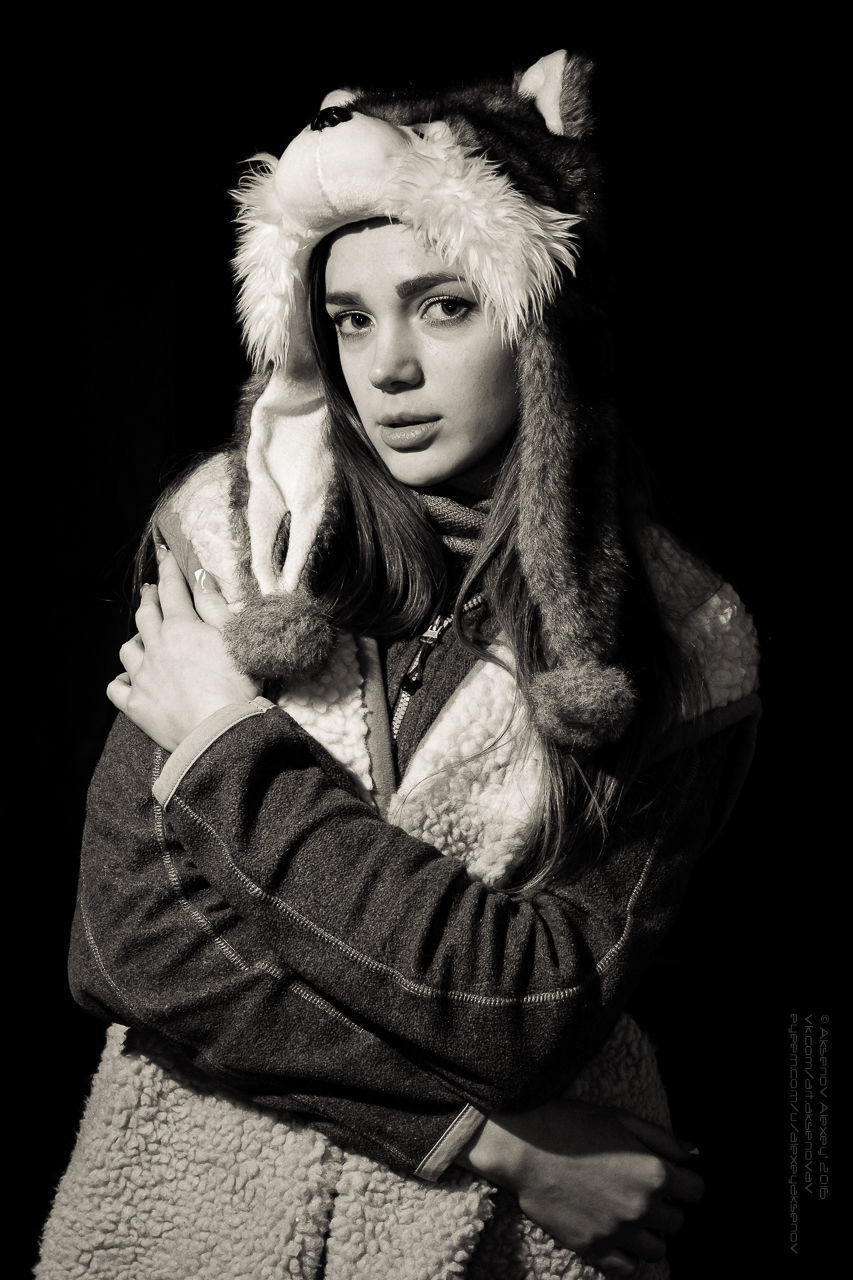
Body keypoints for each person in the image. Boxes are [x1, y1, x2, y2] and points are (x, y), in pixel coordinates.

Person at [38, 50, 759, 1280]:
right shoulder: (232, 539)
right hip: (189, 1211)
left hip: (490, 1255)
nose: (389, 370)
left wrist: (226, 749)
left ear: (539, 321)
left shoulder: (677, 633)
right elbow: (128, 947)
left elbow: (523, 1006)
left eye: (444, 304)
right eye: (350, 318)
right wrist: (486, 1135)